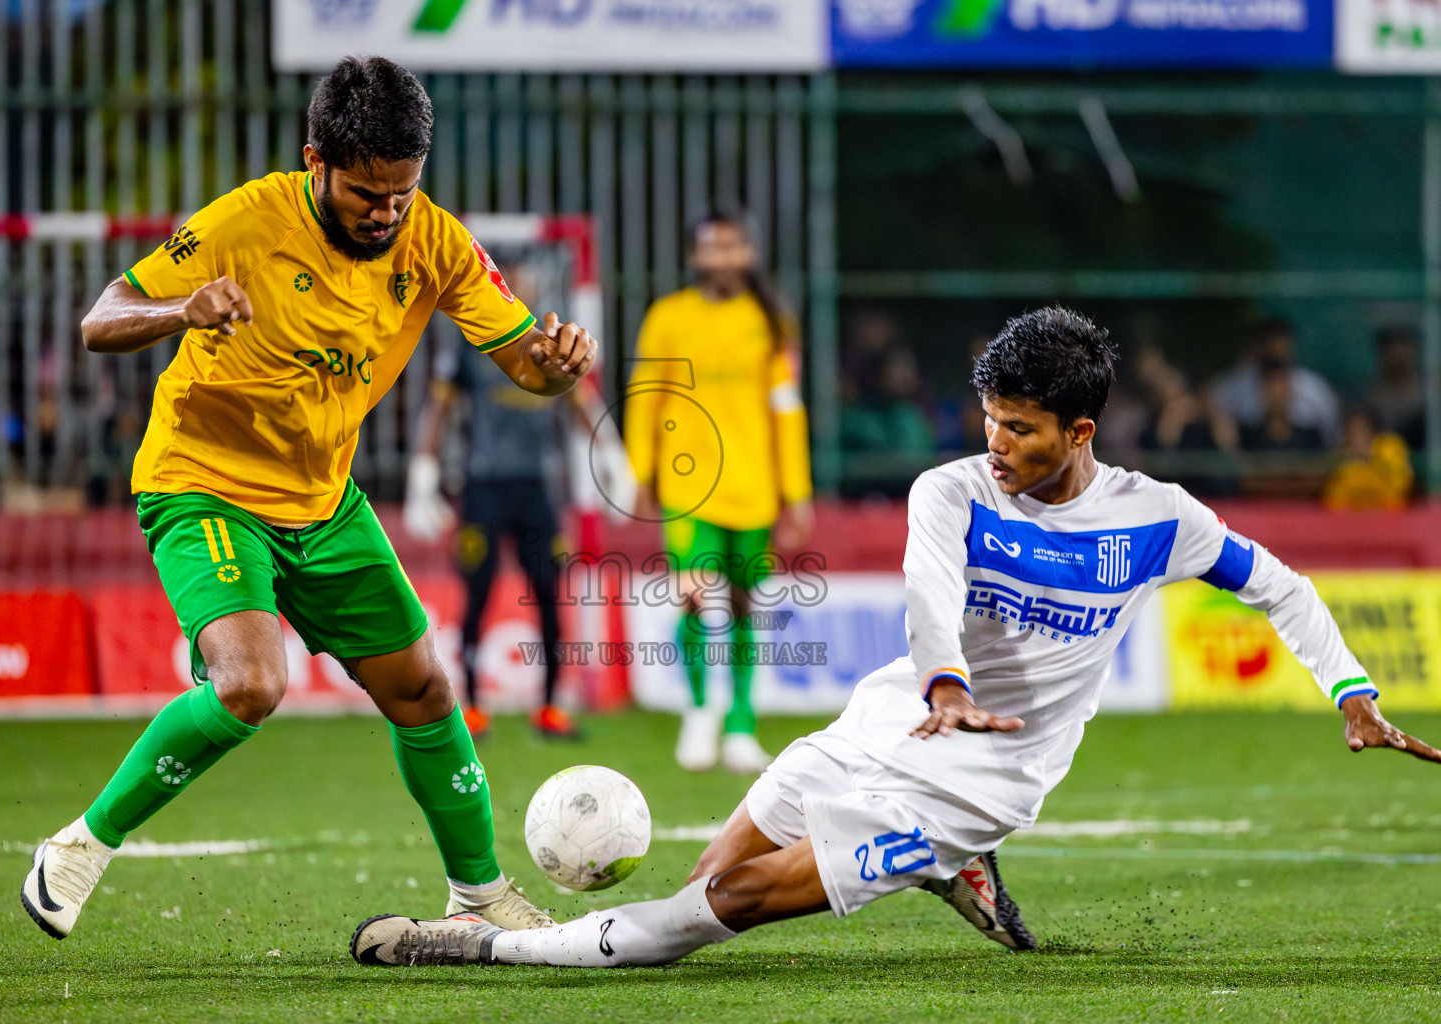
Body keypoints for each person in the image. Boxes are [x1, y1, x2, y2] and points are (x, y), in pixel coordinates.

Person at [348, 306, 1440, 969]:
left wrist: (1348, 687)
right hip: (893, 715)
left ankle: (481, 943)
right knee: (705, 879)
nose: (997, 441)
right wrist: (944, 682)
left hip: (984, 779)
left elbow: (1281, 585)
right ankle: (953, 875)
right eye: (991, 417)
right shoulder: (953, 489)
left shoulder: (1157, 518)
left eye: (1021, 426)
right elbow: (927, 589)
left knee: (720, 912)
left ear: (1082, 432)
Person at [20, 57, 594, 941]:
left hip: (323, 503)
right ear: (315, 160)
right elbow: (101, 318)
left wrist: (554, 372)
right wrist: (182, 309)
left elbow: (522, 359)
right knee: (252, 683)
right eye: (369, 193)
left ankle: (478, 898)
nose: (387, 212)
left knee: (425, 692)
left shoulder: (434, 239)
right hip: (202, 484)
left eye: (403, 191)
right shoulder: (246, 219)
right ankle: (78, 847)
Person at [624, 212, 814, 774]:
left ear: (748, 253)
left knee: (744, 607)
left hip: (754, 487)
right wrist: (638, 472)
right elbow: (644, 398)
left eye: (734, 246)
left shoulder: (771, 321)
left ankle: (740, 724)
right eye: (713, 247)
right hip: (688, 487)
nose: (724, 257)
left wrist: (796, 489)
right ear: (695, 256)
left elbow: (786, 409)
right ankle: (701, 712)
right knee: (693, 595)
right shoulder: (668, 317)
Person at [406, 262, 618, 741]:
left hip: (539, 488)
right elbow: (438, 405)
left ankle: (548, 706)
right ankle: (474, 706)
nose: (521, 288)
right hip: (483, 485)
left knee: (548, 592)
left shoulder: (552, 344)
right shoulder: (471, 341)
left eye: (529, 280)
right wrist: (425, 471)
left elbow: (579, 399)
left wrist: (612, 454)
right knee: (477, 593)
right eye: (514, 279)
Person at [1210, 318, 1342, 447]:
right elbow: (1215, 400)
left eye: (1281, 343)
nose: (1276, 349)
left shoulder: (1314, 387)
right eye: (1271, 343)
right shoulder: (1238, 384)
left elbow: (1330, 431)